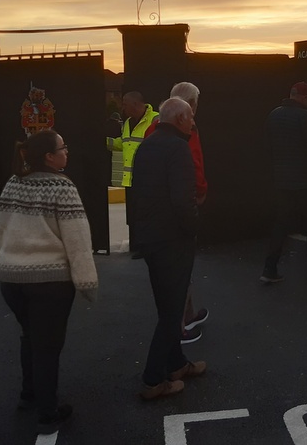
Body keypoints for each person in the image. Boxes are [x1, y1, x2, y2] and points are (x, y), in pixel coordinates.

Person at [0, 130, 98, 435]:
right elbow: (77, 240)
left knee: (29, 336)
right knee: (48, 346)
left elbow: (0, 229)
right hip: (50, 283)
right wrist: (87, 282)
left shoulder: (14, 183)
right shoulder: (62, 187)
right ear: (50, 157)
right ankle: (48, 413)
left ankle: (29, 394)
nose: (67, 152)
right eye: (63, 148)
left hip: (12, 280)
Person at [132, 97, 206, 400]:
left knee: (167, 306)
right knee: (172, 312)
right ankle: (152, 380)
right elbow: (183, 199)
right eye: (190, 118)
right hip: (173, 240)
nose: (193, 123)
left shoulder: (145, 146)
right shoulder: (178, 148)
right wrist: (194, 228)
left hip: (150, 239)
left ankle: (176, 365)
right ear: (179, 119)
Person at [260, 81, 307, 284]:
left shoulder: (274, 115)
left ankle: (269, 269)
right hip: (306, 181)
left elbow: (267, 147)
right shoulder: (305, 117)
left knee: (280, 224)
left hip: (281, 181)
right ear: (303, 97)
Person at [168, 81, 209, 344]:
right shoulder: (187, 129)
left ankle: (189, 313)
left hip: (162, 207)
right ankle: (180, 326)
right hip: (184, 203)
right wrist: (201, 191)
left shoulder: (154, 127)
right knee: (182, 264)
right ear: (191, 104)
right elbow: (195, 164)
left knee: (176, 265)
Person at [106, 91, 159, 259]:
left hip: (148, 180)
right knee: (134, 216)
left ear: (135, 104)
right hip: (130, 181)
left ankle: (149, 247)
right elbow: (124, 144)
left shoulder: (155, 119)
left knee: (147, 216)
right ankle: (138, 246)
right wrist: (105, 142)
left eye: (125, 104)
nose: (123, 108)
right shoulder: (128, 123)